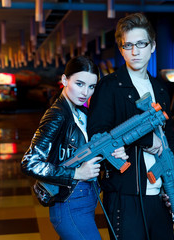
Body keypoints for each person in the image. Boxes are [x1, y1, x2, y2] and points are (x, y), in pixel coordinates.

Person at [87, 13, 174, 240]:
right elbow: (97, 134)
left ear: (153, 46)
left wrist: (169, 180)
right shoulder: (109, 87)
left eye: (141, 44)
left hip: (159, 195)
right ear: (121, 49)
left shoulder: (161, 88)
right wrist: (148, 141)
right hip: (124, 194)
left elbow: (169, 136)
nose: (135, 51)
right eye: (128, 45)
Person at [21, 56, 128, 240]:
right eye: (79, 84)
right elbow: (29, 163)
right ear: (64, 80)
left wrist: (110, 152)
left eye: (91, 87)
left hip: (85, 201)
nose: (85, 92)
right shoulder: (57, 115)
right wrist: (76, 174)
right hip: (69, 205)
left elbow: (84, 153)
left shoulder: (81, 111)